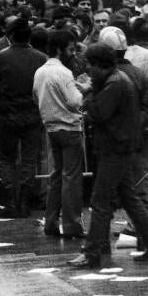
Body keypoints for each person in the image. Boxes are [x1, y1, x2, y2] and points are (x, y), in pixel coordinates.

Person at [67, 44, 148, 268]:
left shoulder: (113, 84)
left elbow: (97, 114)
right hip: (121, 146)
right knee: (130, 199)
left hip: (115, 148)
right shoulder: (118, 79)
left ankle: (92, 252)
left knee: (100, 201)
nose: (89, 71)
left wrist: (87, 93)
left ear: (99, 64)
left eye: (90, 66)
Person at [0, 17, 46, 217]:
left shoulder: (2, 57)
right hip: (33, 115)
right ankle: (24, 201)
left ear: (11, 36)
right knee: (29, 160)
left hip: (8, 115)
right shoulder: (41, 57)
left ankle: (10, 201)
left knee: (7, 159)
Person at [32, 29, 85, 239]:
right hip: (69, 127)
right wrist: (85, 88)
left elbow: (36, 97)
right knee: (71, 178)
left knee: (56, 176)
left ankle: (51, 221)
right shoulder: (63, 73)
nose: (72, 53)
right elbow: (75, 102)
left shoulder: (40, 71)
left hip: (50, 127)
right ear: (59, 49)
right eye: (70, 49)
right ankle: (72, 224)